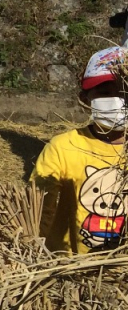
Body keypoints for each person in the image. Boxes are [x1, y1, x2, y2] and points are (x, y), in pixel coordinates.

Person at [30, 46, 127, 254]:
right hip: (69, 267)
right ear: (85, 99)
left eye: (124, 91)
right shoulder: (63, 147)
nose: (117, 100)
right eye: (104, 92)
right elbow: (39, 209)